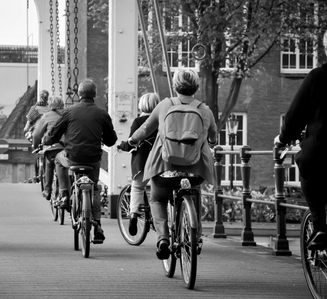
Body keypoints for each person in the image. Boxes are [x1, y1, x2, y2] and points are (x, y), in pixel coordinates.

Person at [129, 68, 217, 259]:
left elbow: (144, 130)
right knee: (195, 193)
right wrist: (210, 142)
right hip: (195, 170)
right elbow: (213, 136)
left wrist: (131, 141)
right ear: (196, 86)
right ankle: (196, 235)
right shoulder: (205, 109)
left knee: (157, 198)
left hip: (165, 168)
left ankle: (163, 239)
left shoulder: (164, 105)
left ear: (176, 86)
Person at [44, 79, 118, 242]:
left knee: (57, 159)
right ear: (95, 94)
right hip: (92, 159)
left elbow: (54, 134)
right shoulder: (102, 114)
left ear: (78, 94)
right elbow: (111, 140)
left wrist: (48, 140)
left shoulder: (69, 112)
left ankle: (64, 193)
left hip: (72, 158)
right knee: (95, 189)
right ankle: (97, 224)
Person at [274, 30, 327, 251]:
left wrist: (282, 140)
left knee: (308, 169)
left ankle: (320, 227)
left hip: (322, 151)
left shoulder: (318, 77)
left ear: (326, 48)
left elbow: (295, 115)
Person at [118, 93, 160, 236]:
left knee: (137, 188)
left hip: (142, 162)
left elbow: (132, 142)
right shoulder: (161, 120)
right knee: (159, 191)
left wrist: (122, 146)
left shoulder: (138, 121)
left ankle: (134, 216)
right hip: (159, 161)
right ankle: (160, 219)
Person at [32, 96, 65, 200]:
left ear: (50, 105)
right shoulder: (67, 114)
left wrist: (35, 145)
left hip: (52, 148)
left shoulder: (46, 116)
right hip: (66, 147)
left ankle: (47, 190)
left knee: (49, 163)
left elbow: (36, 135)